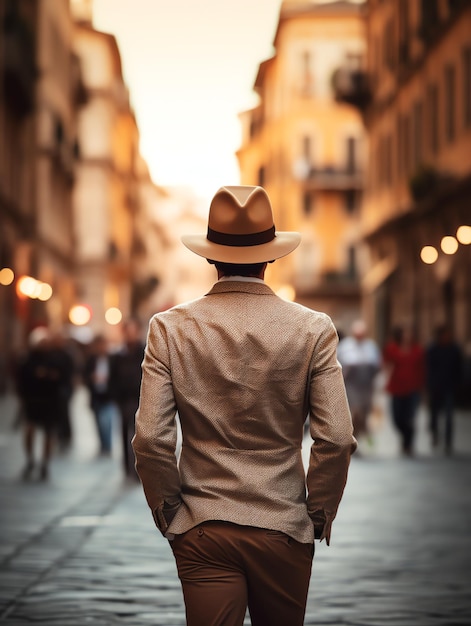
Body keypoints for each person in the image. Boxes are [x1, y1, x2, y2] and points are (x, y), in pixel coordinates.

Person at [132, 185, 356, 626]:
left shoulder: (170, 329)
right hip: (282, 525)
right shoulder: (312, 329)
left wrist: (169, 511)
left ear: (211, 256)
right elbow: (337, 438)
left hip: (203, 523)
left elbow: (151, 439)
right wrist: (316, 514)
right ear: (270, 256)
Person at [16, 327, 63, 480]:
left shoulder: (53, 358)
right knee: (30, 429)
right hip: (33, 400)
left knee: (49, 433)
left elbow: (61, 376)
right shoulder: (29, 358)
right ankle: (30, 459)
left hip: (49, 401)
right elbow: (22, 377)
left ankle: (45, 462)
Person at [110, 318, 145, 478]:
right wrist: (115, 396)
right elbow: (113, 377)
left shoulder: (145, 351)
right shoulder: (118, 354)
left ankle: (139, 467)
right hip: (124, 399)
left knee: (140, 435)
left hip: (141, 398)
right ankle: (127, 466)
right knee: (125, 432)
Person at [337, 319, 381, 444]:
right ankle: (353, 438)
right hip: (351, 386)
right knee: (354, 412)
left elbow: (377, 364)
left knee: (363, 414)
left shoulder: (370, 346)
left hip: (366, 385)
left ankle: (358, 436)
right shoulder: (346, 346)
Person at [383, 325, 425, 456]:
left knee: (409, 417)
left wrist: (422, 386)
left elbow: (422, 368)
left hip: (413, 389)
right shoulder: (392, 348)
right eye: (405, 333)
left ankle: (408, 443)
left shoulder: (417, 350)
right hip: (396, 387)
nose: (407, 336)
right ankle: (404, 436)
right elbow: (386, 365)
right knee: (397, 418)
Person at [425, 324, 463, 454]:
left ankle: (448, 442)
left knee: (449, 415)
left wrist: (458, 385)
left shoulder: (454, 349)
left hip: (449, 387)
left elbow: (459, 368)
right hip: (435, 387)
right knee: (434, 413)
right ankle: (434, 432)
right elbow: (427, 368)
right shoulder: (432, 349)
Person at [84, 334, 116, 455]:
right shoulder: (91, 360)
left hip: (108, 396)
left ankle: (108, 445)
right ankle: (102, 444)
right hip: (96, 395)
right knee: (98, 421)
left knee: (106, 422)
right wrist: (91, 378)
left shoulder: (112, 359)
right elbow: (84, 375)